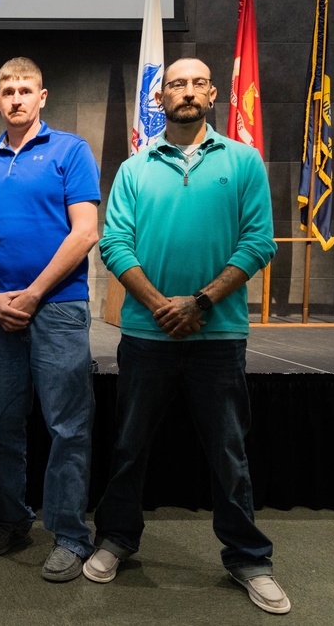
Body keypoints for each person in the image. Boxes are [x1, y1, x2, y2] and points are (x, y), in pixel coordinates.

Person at [91, 57, 289, 615]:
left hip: (218, 337)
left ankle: (249, 559)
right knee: (129, 447)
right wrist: (160, 307)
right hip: (146, 336)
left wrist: (199, 302)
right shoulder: (135, 168)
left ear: (212, 92)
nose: (185, 92)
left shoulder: (244, 162)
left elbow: (258, 243)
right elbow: (114, 245)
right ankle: (117, 541)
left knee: (229, 455)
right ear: (159, 98)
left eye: (196, 83)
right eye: (174, 84)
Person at [0, 57, 100, 582]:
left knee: (67, 425)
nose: (17, 98)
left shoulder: (71, 151)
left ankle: (69, 534)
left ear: (43, 97)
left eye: (26, 90)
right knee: (3, 423)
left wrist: (35, 294)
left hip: (59, 308)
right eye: (8, 91)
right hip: (0, 314)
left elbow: (85, 231)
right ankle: (12, 520)